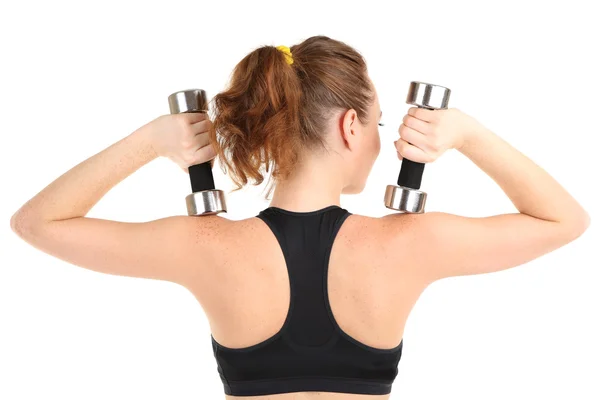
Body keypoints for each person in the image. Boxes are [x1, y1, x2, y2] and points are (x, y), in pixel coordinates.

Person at [10, 35, 590, 399]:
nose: (384, 141)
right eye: (380, 124)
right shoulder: (414, 241)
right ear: (349, 126)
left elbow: (38, 224)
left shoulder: (204, 245)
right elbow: (563, 221)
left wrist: (151, 141)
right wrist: (466, 133)